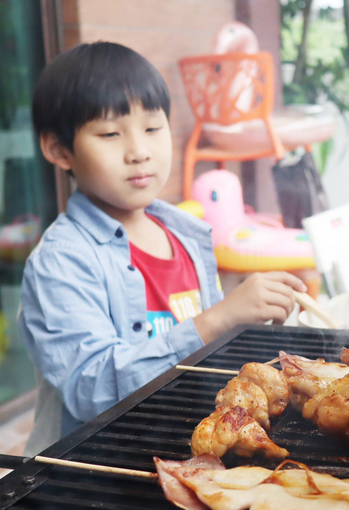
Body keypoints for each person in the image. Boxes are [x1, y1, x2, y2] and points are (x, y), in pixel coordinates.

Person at [19, 42, 305, 455]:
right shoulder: (61, 261)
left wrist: (251, 321)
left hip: (184, 447)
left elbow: (210, 355)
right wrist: (219, 318)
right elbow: (92, 387)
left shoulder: (186, 235)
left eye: (153, 129)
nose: (139, 152)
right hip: (99, 467)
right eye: (111, 134)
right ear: (59, 150)